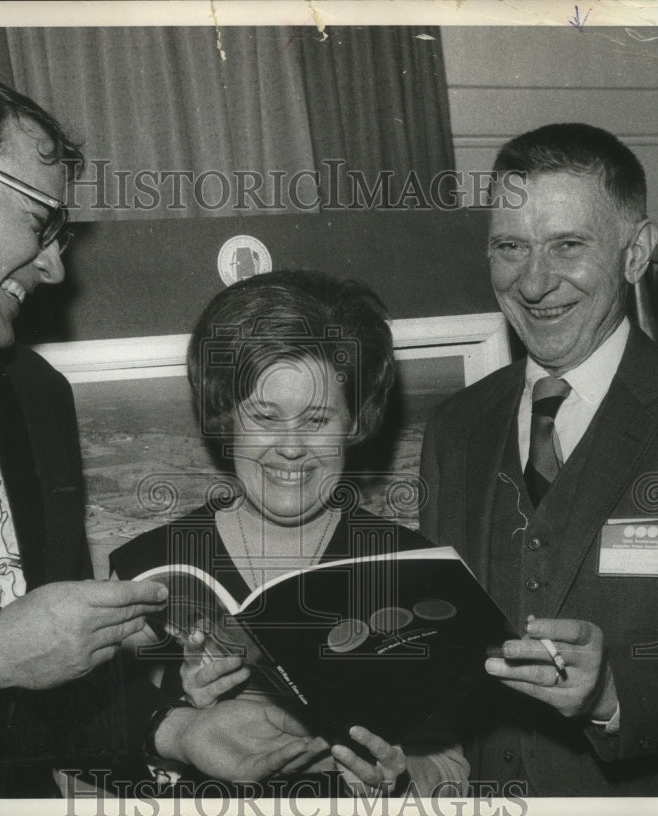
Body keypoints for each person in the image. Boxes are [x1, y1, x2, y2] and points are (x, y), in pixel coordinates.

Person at [0, 62, 323, 798]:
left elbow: (46, 688)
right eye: (40, 222)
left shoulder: (37, 394)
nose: (54, 267)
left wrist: (172, 730)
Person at [419, 123, 658, 796]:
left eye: (568, 246)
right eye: (510, 248)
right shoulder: (456, 428)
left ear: (635, 254)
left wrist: (612, 689)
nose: (534, 281)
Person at [112, 271, 470, 798]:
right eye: (264, 416)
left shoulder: (412, 567)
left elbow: (452, 772)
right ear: (226, 417)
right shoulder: (149, 569)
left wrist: (395, 777)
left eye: (318, 419)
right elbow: (100, 754)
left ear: (355, 423)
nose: (290, 446)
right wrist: (185, 720)